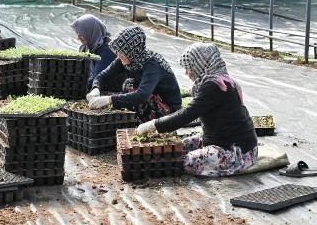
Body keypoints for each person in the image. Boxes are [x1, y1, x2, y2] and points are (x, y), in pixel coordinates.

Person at [136, 42, 258, 177]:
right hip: (221, 139)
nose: (187, 73)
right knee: (178, 147)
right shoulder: (219, 81)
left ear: (201, 64)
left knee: (189, 161)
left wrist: (154, 124)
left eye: (189, 68)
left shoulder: (214, 86)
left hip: (236, 150)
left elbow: (187, 114)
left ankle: (224, 162)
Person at [86, 25, 181, 123]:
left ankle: (141, 122)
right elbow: (103, 75)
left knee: (130, 87)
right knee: (129, 86)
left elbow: (142, 94)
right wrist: (95, 89)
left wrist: (109, 100)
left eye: (122, 53)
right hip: (150, 100)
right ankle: (135, 120)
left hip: (169, 110)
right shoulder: (126, 58)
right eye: (118, 52)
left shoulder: (152, 64)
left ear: (132, 51)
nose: (118, 55)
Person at [70, 13, 116, 90]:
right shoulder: (85, 48)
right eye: (77, 34)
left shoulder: (108, 50)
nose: (79, 38)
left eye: (81, 34)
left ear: (91, 31)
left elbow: (97, 79)